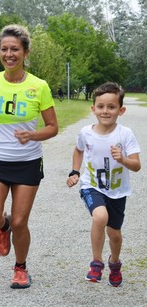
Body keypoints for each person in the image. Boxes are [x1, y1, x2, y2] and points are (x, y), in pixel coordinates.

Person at [0, 24, 58, 289]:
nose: (9, 54)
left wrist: (33, 135)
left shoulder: (38, 86)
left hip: (28, 163)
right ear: (0, 51)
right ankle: (3, 225)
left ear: (25, 52)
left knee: (22, 222)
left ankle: (20, 268)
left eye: (15, 49)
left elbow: (53, 127)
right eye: (4, 49)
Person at [66, 82, 141, 287]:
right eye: (101, 106)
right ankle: (96, 262)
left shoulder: (125, 135)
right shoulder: (86, 132)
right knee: (100, 216)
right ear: (93, 109)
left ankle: (114, 263)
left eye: (111, 107)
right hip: (91, 185)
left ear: (121, 110)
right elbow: (78, 150)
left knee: (114, 234)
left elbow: (137, 166)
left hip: (117, 191)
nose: (105, 111)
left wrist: (123, 159)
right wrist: (74, 171)